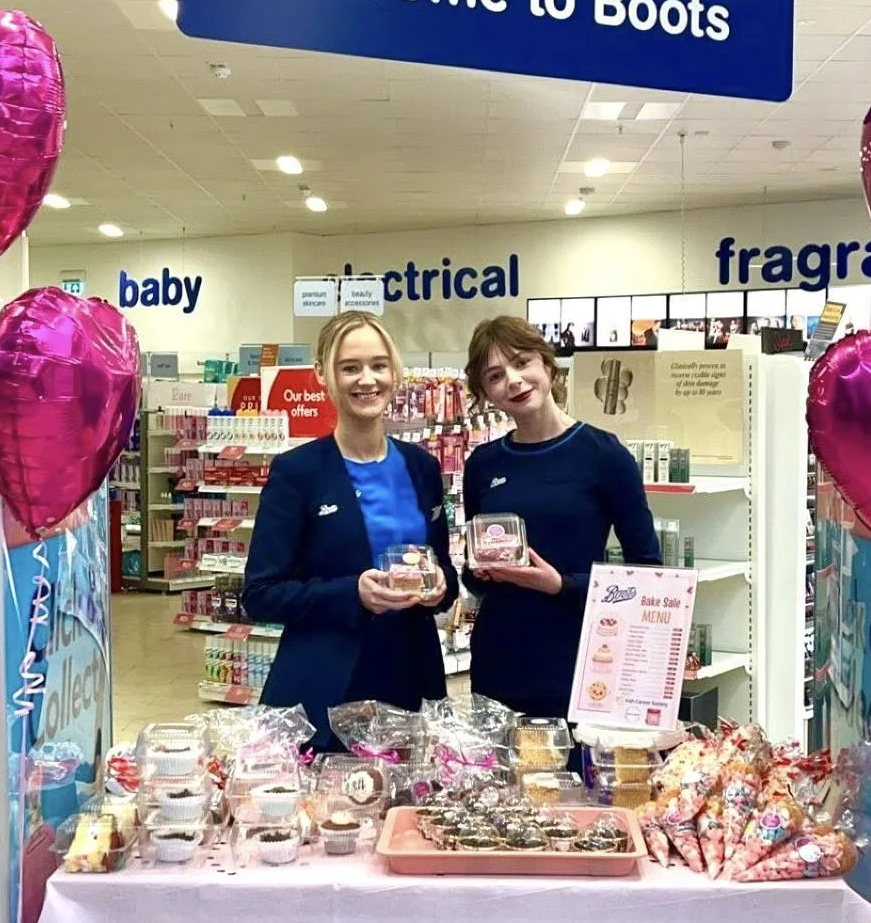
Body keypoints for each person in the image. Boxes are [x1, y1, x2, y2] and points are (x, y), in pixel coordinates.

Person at [243, 311, 458, 746]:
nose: (367, 380)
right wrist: (351, 594)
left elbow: (446, 575)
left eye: (379, 365)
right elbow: (260, 594)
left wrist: (440, 587)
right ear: (323, 375)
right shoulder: (298, 472)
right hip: (325, 686)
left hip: (410, 680)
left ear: (395, 373)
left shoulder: (421, 468)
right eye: (350, 368)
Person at [462, 316, 661, 718]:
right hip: (499, 663)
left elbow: (648, 575)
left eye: (522, 363)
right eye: (495, 376)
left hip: (581, 663)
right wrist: (479, 570)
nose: (514, 381)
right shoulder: (483, 464)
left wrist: (561, 585)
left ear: (547, 364)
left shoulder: (604, 455)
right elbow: (473, 576)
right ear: (485, 393)